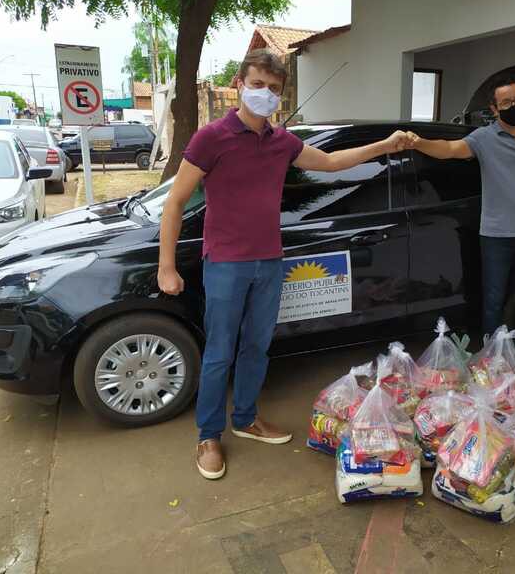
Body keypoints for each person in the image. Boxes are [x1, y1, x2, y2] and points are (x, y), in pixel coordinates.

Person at [157, 49, 408, 480]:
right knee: (219, 353)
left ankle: (247, 418)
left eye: (274, 89)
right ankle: (209, 435)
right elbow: (176, 203)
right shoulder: (210, 138)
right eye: (258, 85)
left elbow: (330, 162)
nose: (265, 94)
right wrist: (167, 266)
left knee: (257, 347)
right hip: (225, 264)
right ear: (238, 84)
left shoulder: (282, 142)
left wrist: (385, 146)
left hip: (270, 262)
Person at [405, 75, 515, 347]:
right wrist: (419, 142)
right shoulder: (483, 138)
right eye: (506, 102)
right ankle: (493, 361)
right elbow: (450, 149)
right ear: (494, 109)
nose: (513, 105)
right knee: (493, 302)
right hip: (496, 236)